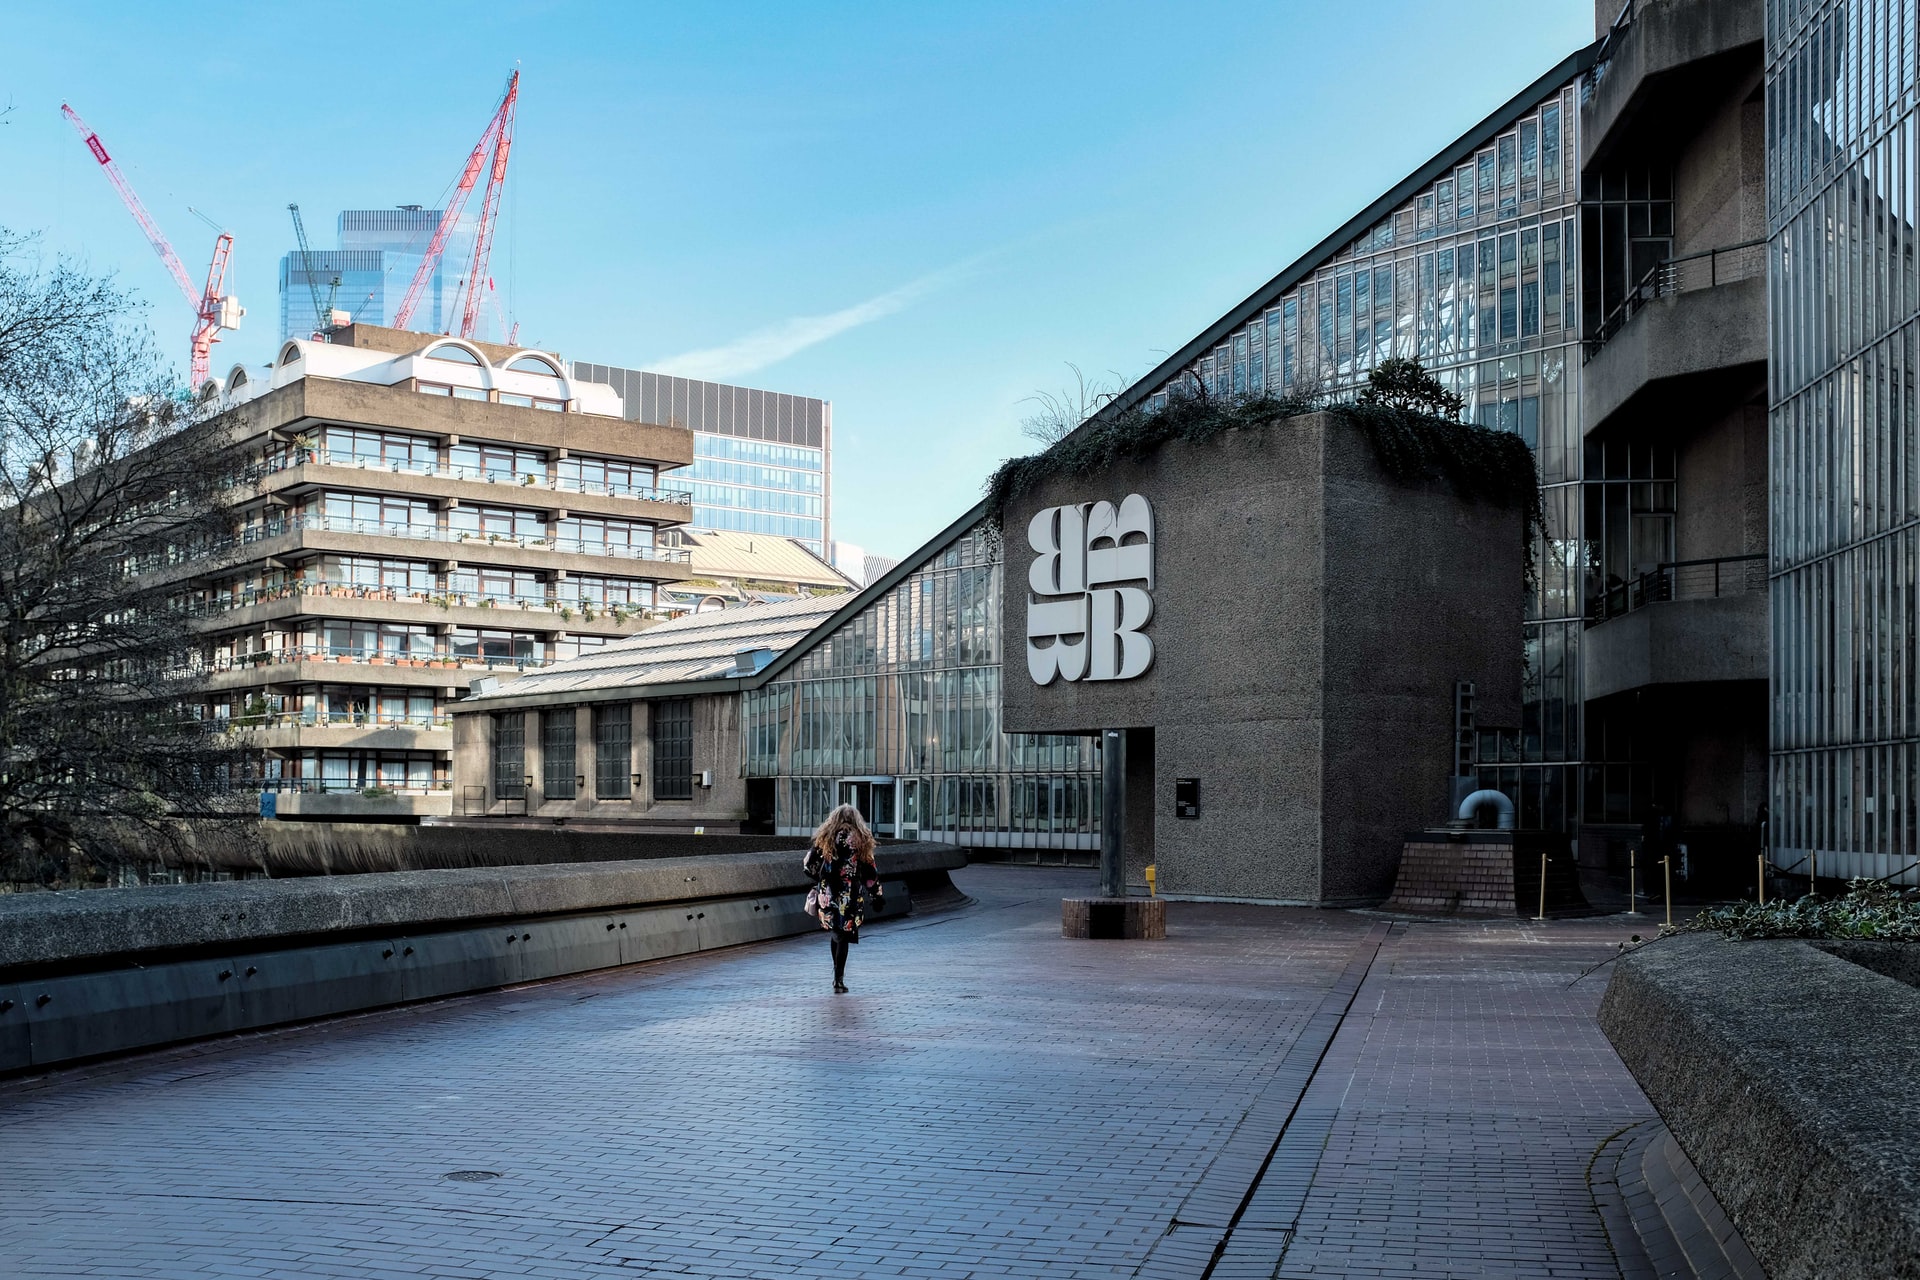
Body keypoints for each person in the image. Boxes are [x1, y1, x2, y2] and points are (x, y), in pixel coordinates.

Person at [803, 804, 883, 994]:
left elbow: (808, 866)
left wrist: (821, 881)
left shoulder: (826, 838)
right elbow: (870, 872)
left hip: (828, 893)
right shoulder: (860, 839)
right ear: (856, 820)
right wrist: (877, 895)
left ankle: (836, 976)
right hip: (849, 893)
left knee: (836, 933)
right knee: (844, 936)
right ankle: (839, 979)